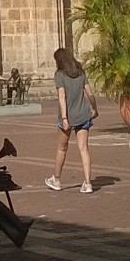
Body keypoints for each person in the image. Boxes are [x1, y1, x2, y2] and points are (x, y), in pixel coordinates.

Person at [46, 46, 97, 194]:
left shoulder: (60, 75)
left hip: (68, 116)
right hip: (83, 114)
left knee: (62, 148)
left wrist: (64, 118)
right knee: (84, 149)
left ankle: (56, 179)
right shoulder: (80, 72)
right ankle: (88, 183)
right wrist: (94, 108)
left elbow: (62, 97)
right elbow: (90, 93)